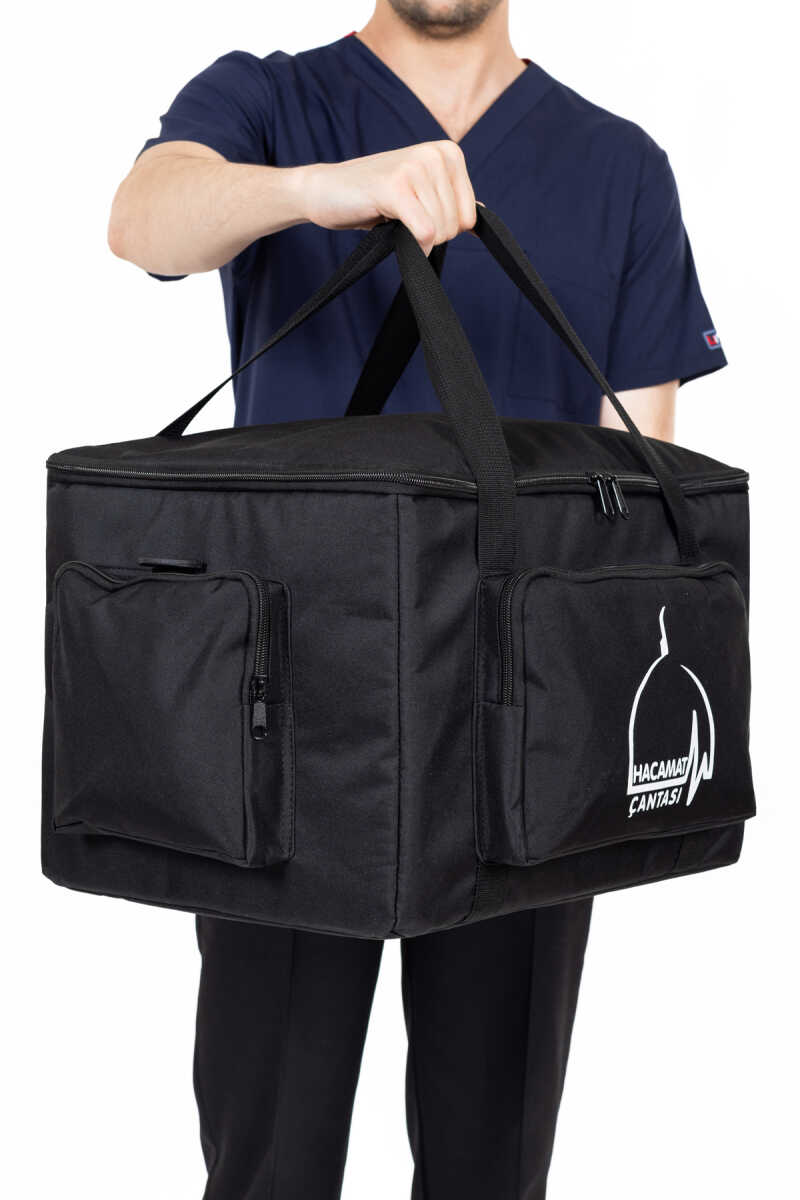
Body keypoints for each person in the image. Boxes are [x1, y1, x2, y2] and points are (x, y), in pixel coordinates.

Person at [108, 3, 726, 1197]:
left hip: (520, 727)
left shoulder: (617, 168)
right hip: (285, 726)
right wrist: (322, 190)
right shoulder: (270, 101)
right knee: (267, 1162)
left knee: (490, 1163)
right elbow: (143, 221)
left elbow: (634, 489)